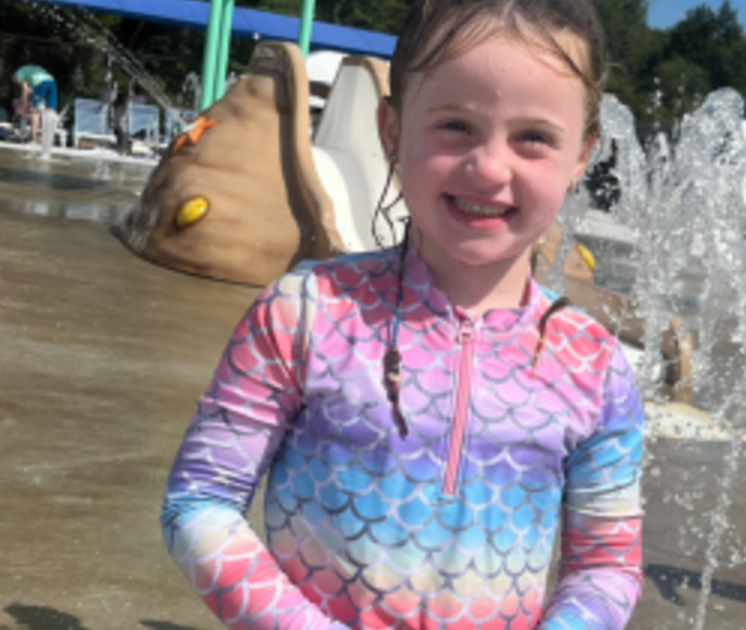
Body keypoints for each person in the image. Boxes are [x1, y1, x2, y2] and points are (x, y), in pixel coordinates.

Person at [159, 0, 645, 629]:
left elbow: (606, 565)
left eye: (533, 137)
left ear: (580, 155)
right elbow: (199, 503)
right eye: (455, 127)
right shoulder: (304, 313)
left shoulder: (595, 365)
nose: (490, 166)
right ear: (391, 131)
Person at [12, 64, 57, 143]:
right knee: (49, 110)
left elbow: (25, 91)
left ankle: (32, 137)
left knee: (35, 111)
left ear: (14, 76)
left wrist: (24, 107)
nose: (17, 83)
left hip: (41, 84)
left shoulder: (19, 74)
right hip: (52, 82)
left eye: (15, 81)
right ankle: (49, 137)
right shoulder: (27, 70)